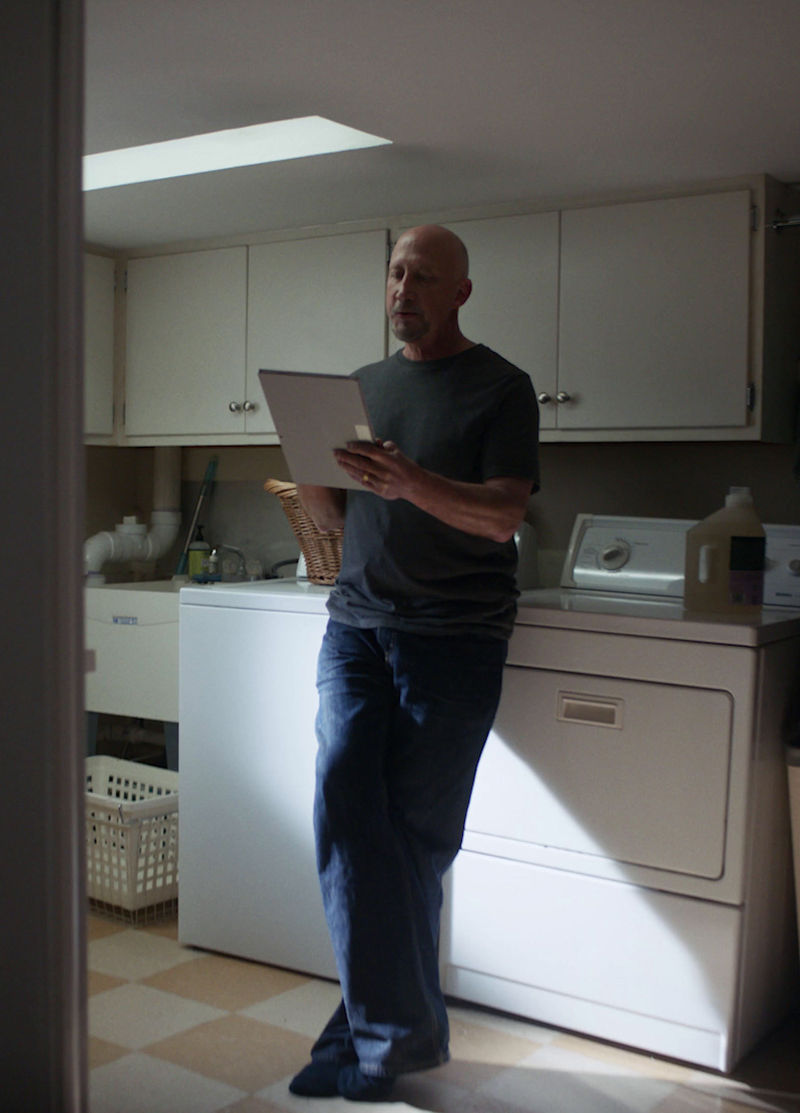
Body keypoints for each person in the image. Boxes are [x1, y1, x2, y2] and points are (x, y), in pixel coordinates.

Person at [289, 224, 540, 1102]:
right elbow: (330, 518)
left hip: (455, 638)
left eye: (424, 276)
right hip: (356, 627)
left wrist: (411, 482)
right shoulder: (365, 386)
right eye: (396, 272)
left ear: (461, 291)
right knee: (346, 811)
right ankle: (394, 1039)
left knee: (414, 842)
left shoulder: (502, 389)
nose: (404, 289)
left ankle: (366, 1041)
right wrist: (308, 459)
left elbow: (503, 514)